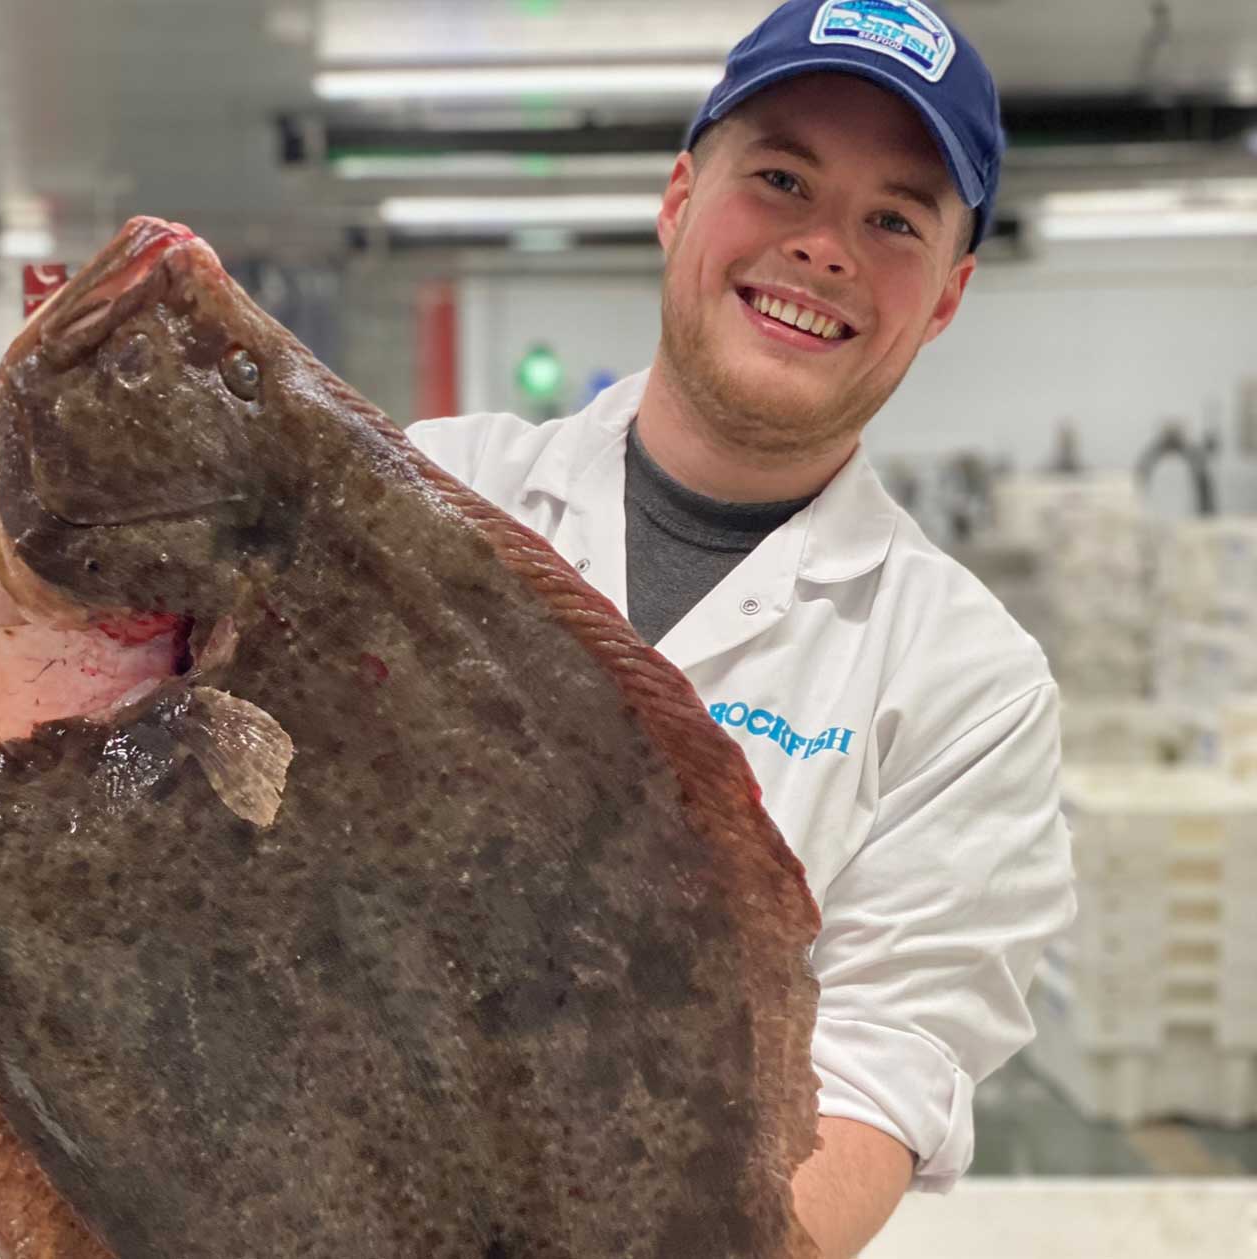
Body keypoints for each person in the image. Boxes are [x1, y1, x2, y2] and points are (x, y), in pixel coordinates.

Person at [408, 2, 1076, 1256]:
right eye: (780, 178)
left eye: (895, 219)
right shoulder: (429, 498)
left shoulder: (966, 683)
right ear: (678, 195)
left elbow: (884, 1065)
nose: (824, 247)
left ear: (945, 298)